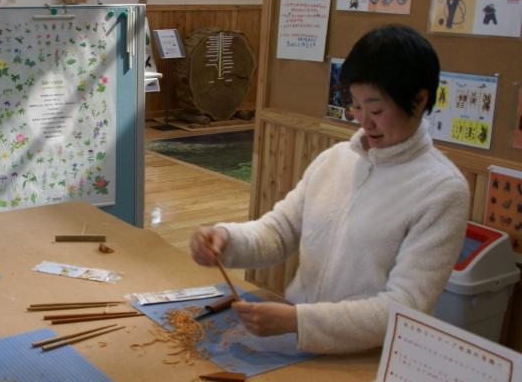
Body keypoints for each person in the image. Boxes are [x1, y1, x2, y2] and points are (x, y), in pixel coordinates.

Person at [190, 24, 469, 354]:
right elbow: (279, 232)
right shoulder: (335, 160)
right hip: (297, 346)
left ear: (419, 99)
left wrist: (300, 321)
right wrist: (225, 239)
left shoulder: (442, 190)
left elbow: (405, 307)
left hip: (368, 362)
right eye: (356, 105)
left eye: (376, 109)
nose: (364, 120)